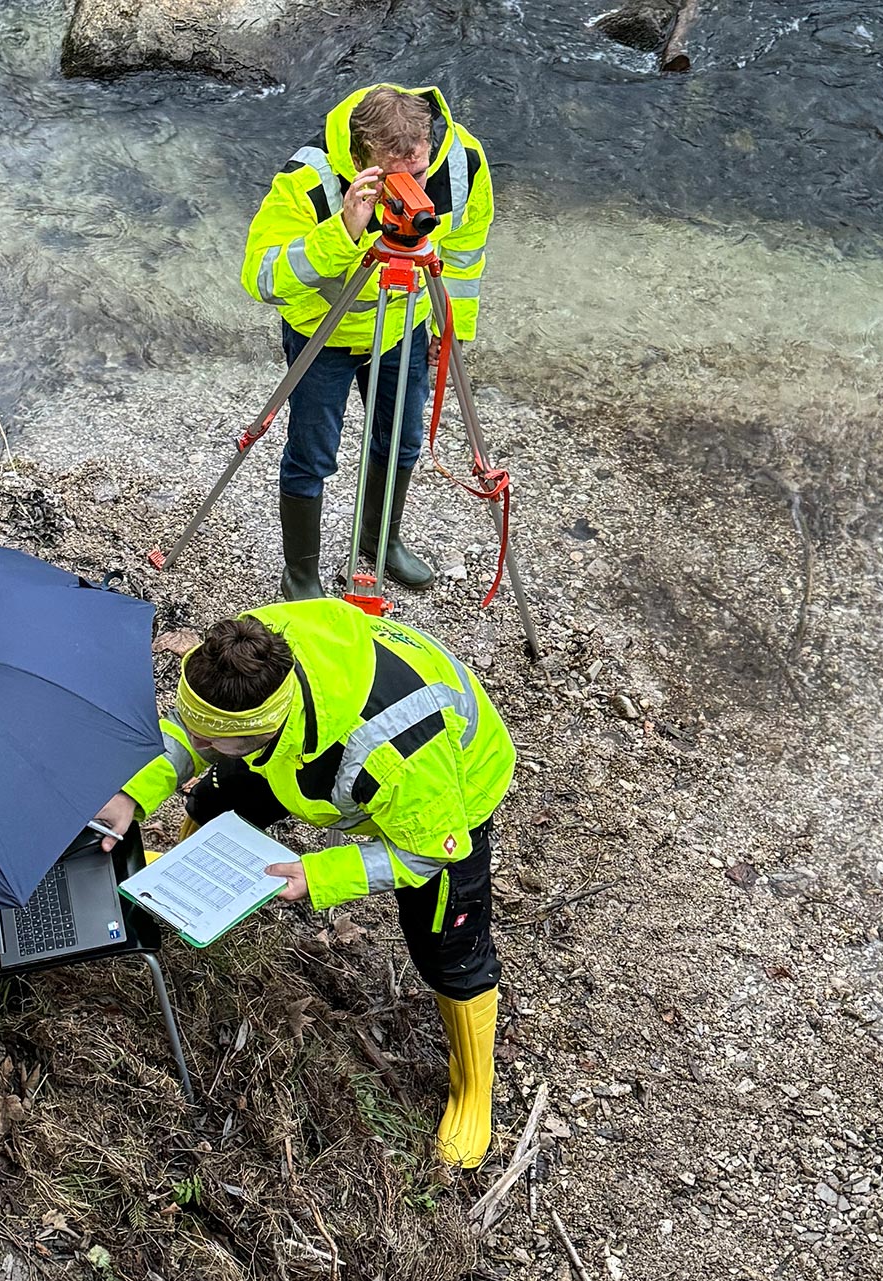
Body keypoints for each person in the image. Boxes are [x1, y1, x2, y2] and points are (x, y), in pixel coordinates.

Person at [92, 598, 514, 1168]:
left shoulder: (395, 750)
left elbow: (421, 854)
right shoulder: (250, 656)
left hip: (445, 799)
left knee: (446, 946)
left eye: (216, 740)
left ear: (267, 727)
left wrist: (319, 874)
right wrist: (131, 795)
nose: (201, 743)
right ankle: (185, 881)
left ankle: (473, 1092)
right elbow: (197, 735)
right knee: (219, 791)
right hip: (302, 754)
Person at [239, 83, 496, 602]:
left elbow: (466, 251)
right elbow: (260, 278)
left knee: (401, 439)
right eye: (394, 180)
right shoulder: (308, 178)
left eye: (419, 174)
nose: (414, 192)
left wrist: (452, 330)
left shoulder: (462, 158)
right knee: (313, 454)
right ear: (359, 159)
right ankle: (302, 574)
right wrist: (344, 229)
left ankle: (379, 540)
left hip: (404, 325)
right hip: (324, 333)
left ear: (430, 145)